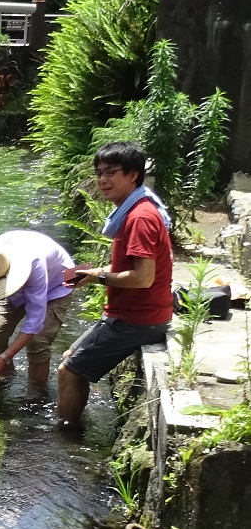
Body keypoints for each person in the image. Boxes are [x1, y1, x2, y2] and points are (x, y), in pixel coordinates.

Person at [57, 142, 174, 427]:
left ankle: (66, 433)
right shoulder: (136, 209)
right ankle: (77, 419)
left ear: (133, 174)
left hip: (137, 320)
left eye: (111, 172)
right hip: (135, 315)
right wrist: (95, 273)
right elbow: (133, 269)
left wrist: (100, 275)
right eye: (99, 173)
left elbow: (143, 277)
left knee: (68, 371)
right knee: (70, 357)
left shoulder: (139, 218)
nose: (102, 180)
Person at [0, 230, 77, 387]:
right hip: (11, 289)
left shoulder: (33, 262)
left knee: (37, 342)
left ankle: (36, 395)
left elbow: (35, 320)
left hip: (56, 285)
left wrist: (6, 357)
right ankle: (7, 381)